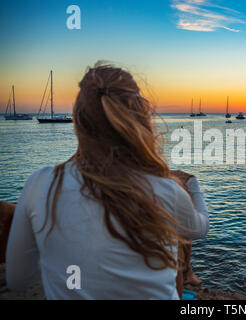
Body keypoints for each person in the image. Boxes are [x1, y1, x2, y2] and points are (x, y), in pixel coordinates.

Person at [5, 64, 209, 299]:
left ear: (78, 120)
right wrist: (192, 185)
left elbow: (18, 279)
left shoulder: (41, 184)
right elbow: (199, 229)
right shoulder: (166, 189)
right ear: (140, 119)